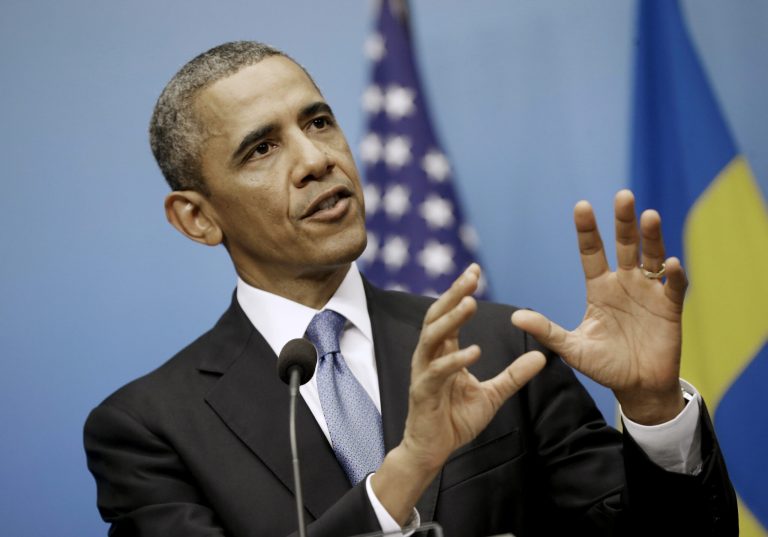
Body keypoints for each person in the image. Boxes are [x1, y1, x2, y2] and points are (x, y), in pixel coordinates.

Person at [84, 41, 737, 536]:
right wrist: (404, 472)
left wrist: (653, 411)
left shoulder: (499, 343)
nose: (316, 160)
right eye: (261, 148)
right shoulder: (149, 428)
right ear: (197, 217)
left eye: (318, 122)